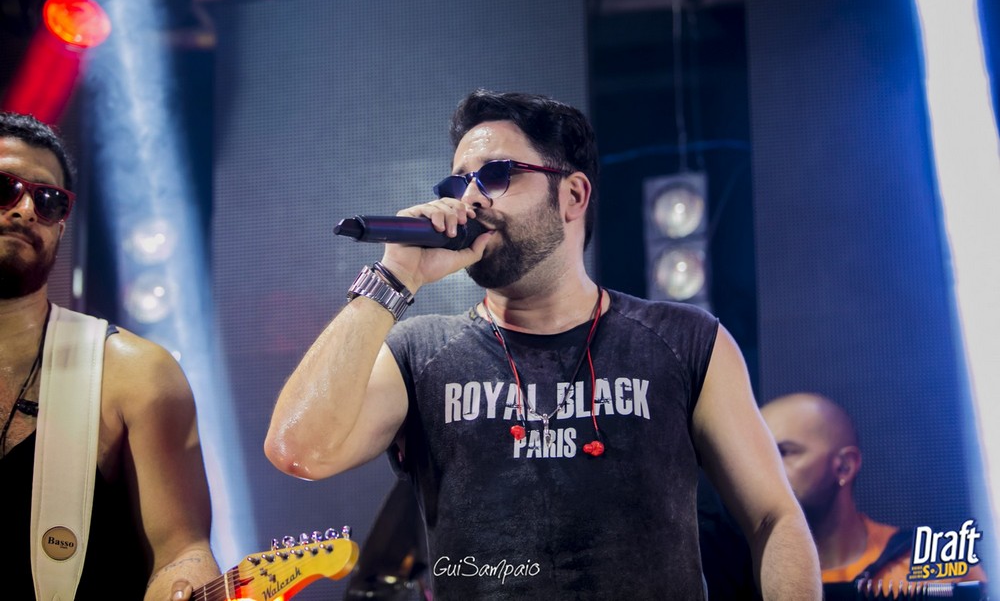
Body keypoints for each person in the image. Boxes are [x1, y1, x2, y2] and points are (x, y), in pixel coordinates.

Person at [265, 89, 821, 599]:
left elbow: (774, 518)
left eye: (496, 174)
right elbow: (298, 450)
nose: (470, 199)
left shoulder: (685, 341)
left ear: (573, 194)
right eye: (458, 184)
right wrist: (394, 279)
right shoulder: (420, 353)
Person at [0, 111, 221, 600]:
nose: (25, 210)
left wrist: (186, 579)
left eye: (49, 200)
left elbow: (182, 548)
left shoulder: (135, 374)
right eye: (4, 188)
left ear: (62, 225)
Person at [760, 392, 987, 595]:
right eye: (762, 455)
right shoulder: (753, 577)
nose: (765, 468)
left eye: (783, 452)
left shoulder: (934, 564)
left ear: (845, 466)